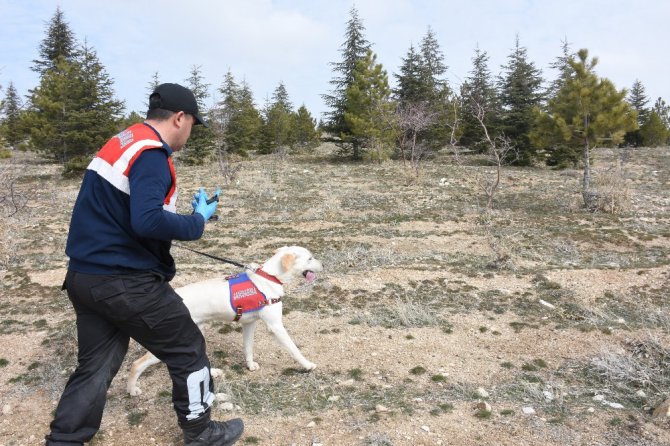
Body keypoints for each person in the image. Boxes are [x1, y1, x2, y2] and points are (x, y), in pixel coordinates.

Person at [45, 83, 244, 446]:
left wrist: (192, 216)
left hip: (85, 276)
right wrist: (196, 223)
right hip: (125, 281)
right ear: (180, 118)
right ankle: (201, 433)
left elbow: (124, 212)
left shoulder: (124, 141)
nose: (188, 134)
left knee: (96, 365)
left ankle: (64, 440)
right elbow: (147, 220)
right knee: (189, 349)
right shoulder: (152, 153)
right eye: (191, 124)